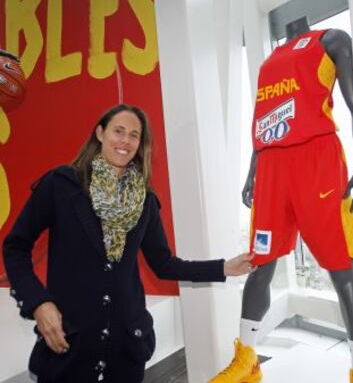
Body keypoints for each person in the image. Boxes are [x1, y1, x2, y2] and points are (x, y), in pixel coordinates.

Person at [2, 103, 257, 383]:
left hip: (125, 348)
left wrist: (224, 268)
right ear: (100, 133)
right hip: (69, 344)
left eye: (134, 135)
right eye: (118, 131)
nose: (125, 140)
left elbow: (164, 264)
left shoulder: (145, 201)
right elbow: (15, 247)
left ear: (140, 144)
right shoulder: (61, 185)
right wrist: (40, 305)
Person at [209, 16, 353, 383]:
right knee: (261, 262)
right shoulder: (267, 64)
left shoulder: (332, 39)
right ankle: (247, 360)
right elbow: (264, 120)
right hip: (272, 169)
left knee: (341, 265)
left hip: (316, 162)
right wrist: (252, 171)